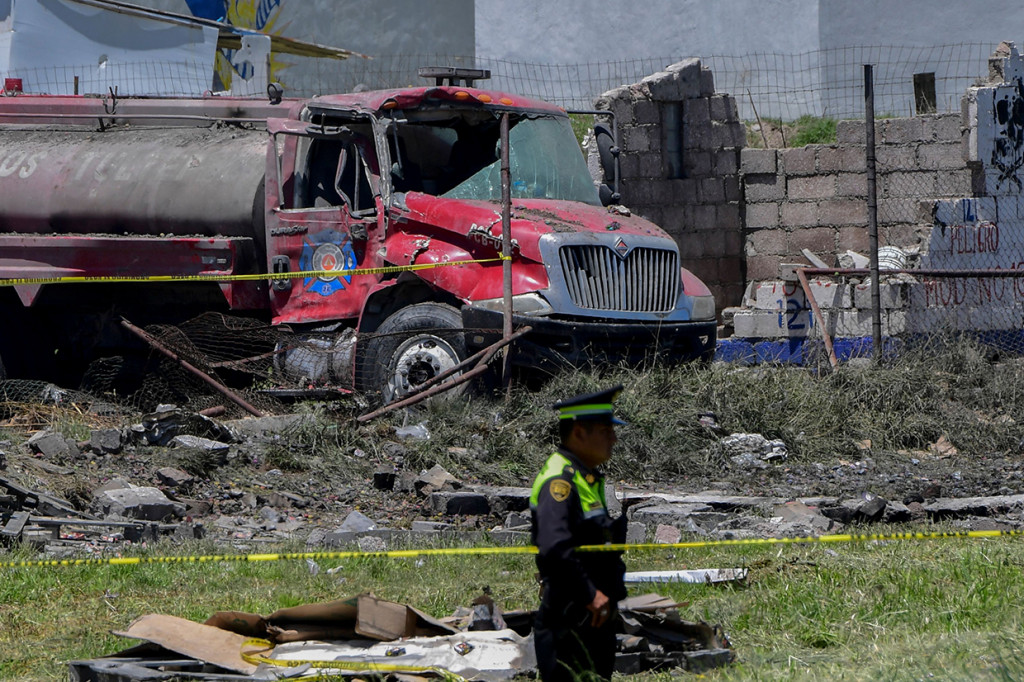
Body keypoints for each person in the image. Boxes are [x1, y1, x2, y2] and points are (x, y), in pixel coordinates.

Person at [530, 385, 629, 681]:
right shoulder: (559, 482)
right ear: (579, 432)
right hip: (570, 620)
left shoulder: (585, 479)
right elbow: (554, 547)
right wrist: (590, 594)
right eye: (605, 430)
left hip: (591, 619)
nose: (613, 438)